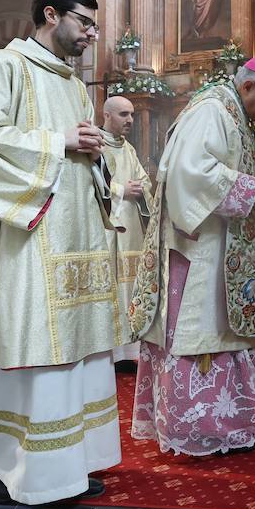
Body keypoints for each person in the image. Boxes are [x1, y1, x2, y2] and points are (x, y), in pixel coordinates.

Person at [0, 0, 122, 507]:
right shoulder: (5, 67)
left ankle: (70, 463)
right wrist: (59, 141)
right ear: (50, 14)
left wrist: (93, 152)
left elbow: (81, 154)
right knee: (30, 351)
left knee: (78, 352)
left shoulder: (70, 82)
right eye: (84, 23)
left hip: (76, 242)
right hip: (31, 241)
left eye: (94, 26)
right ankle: (6, 463)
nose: (91, 35)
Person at [129, 56, 255, 457]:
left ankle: (230, 419)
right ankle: (202, 424)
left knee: (224, 325)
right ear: (248, 87)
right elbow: (190, 172)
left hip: (222, 244)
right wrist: (252, 186)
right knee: (203, 327)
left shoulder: (234, 112)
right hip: (200, 247)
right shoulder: (213, 110)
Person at [99, 96, 152, 366]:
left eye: (131, 114)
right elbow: (88, 183)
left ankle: (129, 352)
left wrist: (143, 187)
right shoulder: (95, 146)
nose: (130, 120)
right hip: (106, 228)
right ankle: (110, 353)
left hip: (131, 230)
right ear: (106, 115)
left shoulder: (128, 149)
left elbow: (143, 180)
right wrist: (121, 191)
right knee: (108, 289)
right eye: (123, 114)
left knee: (130, 288)